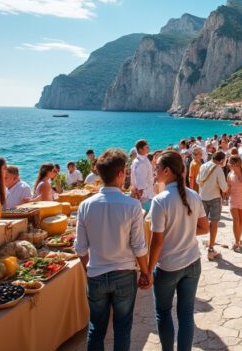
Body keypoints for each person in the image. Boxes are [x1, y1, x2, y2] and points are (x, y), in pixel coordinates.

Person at [74, 149, 150, 351]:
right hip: (124, 275)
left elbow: (80, 248)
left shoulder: (85, 206)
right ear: (120, 173)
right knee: (122, 329)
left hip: (96, 274)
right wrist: (145, 272)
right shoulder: (132, 205)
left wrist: (89, 270)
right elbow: (139, 247)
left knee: (96, 329)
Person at [148, 151, 208, 351]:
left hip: (168, 267)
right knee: (186, 314)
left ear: (166, 171)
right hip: (192, 262)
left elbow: (156, 242)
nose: (154, 171)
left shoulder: (160, 201)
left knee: (163, 313)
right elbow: (204, 228)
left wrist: (147, 271)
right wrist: (185, 233)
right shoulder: (193, 195)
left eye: (156, 167)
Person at [197, 151, 229, 261]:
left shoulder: (203, 166)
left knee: (200, 223)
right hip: (214, 198)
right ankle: (211, 249)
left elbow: (198, 180)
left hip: (202, 197)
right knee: (214, 223)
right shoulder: (218, 169)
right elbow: (224, 187)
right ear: (221, 160)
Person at [226, 155, 242, 251]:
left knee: (241, 220)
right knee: (236, 220)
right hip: (233, 199)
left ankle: (238, 238)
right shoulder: (230, 174)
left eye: (229, 163)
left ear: (234, 164)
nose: (228, 165)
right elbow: (228, 189)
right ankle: (237, 241)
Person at [130, 139, 155, 213]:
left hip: (147, 194)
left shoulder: (139, 160)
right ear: (140, 150)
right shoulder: (141, 163)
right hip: (145, 196)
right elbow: (140, 184)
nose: (149, 148)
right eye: (146, 147)